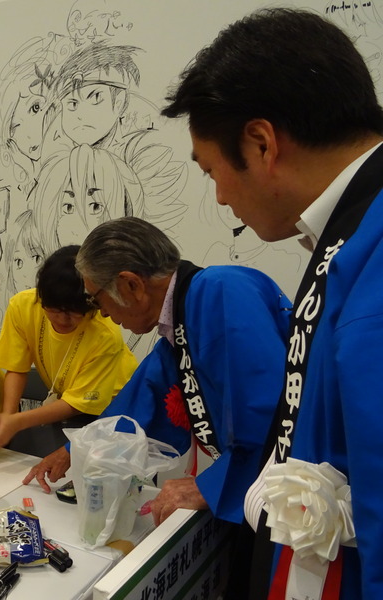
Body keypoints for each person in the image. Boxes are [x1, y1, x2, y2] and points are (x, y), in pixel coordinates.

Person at [160, 8, 383, 598]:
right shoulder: (347, 234)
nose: (220, 196)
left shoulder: (370, 248)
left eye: (212, 170)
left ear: (261, 144)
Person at [23, 218, 290, 530]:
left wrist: (208, 487)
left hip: (290, 490)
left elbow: (273, 417)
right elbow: (138, 406)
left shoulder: (222, 291)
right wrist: (75, 451)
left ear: (131, 285)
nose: (103, 312)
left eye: (97, 298)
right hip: (264, 491)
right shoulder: (181, 323)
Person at [0, 244, 137, 457]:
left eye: (74, 312)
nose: (63, 319)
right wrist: (7, 419)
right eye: (54, 310)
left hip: (115, 409)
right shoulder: (22, 307)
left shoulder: (105, 334)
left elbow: (77, 404)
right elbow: (16, 368)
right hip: (69, 404)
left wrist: (16, 422)